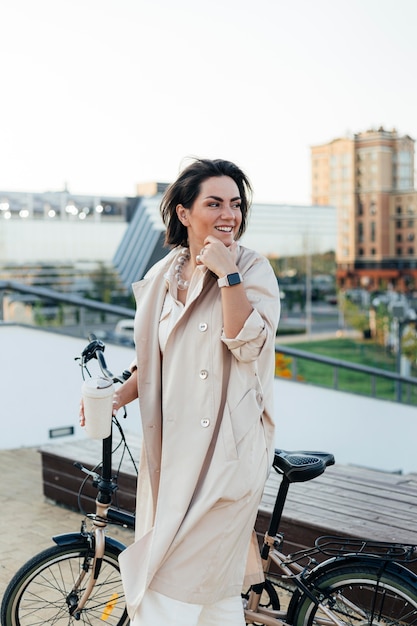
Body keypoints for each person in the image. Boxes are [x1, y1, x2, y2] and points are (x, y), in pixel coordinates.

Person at [81, 158, 280, 625]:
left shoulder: (252, 267)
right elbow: (156, 361)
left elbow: (249, 344)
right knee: (213, 595)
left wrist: (228, 273)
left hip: (226, 455)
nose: (229, 213)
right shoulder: (162, 276)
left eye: (235, 203)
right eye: (214, 203)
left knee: (164, 590)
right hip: (174, 452)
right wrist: (115, 397)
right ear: (185, 213)